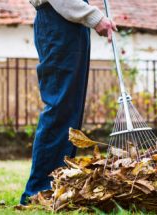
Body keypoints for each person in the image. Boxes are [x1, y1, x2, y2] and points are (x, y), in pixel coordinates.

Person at [20, 0, 116, 205]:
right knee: (60, 108)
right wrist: (94, 16)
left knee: (70, 111)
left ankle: (59, 186)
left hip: (70, 25)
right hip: (58, 21)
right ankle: (39, 191)